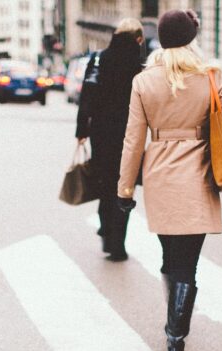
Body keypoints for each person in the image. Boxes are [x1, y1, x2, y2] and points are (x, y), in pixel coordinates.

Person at [117, 9, 222, 351]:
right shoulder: (210, 77)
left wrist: (125, 188)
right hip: (198, 178)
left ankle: (174, 327)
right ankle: (175, 339)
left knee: (171, 260)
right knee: (188, 264)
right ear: (190, 38)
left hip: (160, 178)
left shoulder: (144, 81)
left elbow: (133, 140)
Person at [75, 18, 145, 261]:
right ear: (137, 39)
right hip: (130, 137)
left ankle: (106, 231)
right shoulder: (139, 65)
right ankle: (118, 245)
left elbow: (87, 97)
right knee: (125, 189)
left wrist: (81, 130)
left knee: (105, 184)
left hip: (102, 135)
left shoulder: (97, 59)